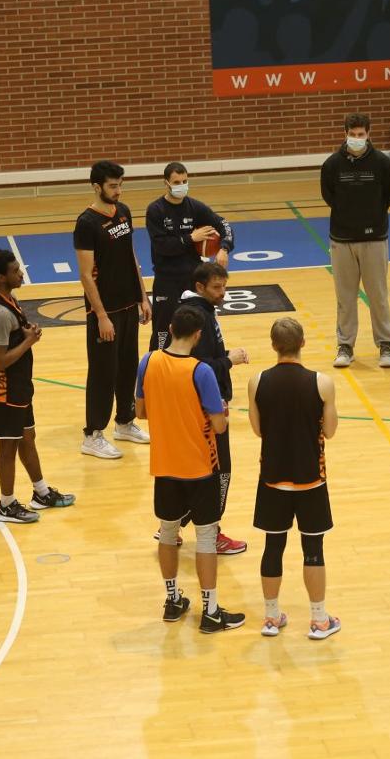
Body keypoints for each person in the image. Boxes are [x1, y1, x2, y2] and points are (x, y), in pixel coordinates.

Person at [137, 305, 245, 633]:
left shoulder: (148, 361)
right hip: (200, 466)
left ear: (169, 328)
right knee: (206, 537)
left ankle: (172, 600)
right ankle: (210, 611)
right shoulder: (202, 372)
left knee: (169, 534)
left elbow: (141, 412)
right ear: (198, 335)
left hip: (165, 465)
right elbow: (219, 425)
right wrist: (221, 413)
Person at [247, 318, 341, 640]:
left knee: (273, 547)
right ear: (303, 343)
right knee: (313, 549)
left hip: (273, 479)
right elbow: (329, 431)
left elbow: (258, 430)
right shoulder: (322, 382)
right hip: (311, 479)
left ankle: (272, 618)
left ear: (274, 346)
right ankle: (319, 621)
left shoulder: (257, 381)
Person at [149, 263, 250, 554]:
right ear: (200, 288)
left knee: (189, 469)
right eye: (217, 287)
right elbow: (200, 366)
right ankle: (212, 531)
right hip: (207, 409)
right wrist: (231, 359)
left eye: (224, 286)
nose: (223, 292)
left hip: (189, 410)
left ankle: (173, 524)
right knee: (220, 472)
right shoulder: (198, 318)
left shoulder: (196, 311)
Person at [0, 249, 76, 523]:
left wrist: (24, 332)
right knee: (8, 445)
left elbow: (11, 337)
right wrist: (28, 342)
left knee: (27, 437)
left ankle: (41, 492)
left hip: (19, 385)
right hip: (3, 389)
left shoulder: (8, 299)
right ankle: (6, 504)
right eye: (15, 271)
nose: (21, 273)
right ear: (1, 277)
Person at [75, 160, 152, 460]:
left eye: (120, 185)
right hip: (103, 313)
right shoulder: (86, 223)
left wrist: (143, 297)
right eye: (112, 186)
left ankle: (124, 422)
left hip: (128, 305)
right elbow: (85, 274)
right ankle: (92, 435)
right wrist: (102, 315)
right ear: (97, 187)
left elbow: (131, 256)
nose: (118, 191)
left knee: (127, 367)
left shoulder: (124, 212)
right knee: (103, 373)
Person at [322, 113, 390, 369]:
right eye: (352, 134)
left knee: (378, 295)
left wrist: (371, 218)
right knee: (345, 297)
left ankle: (385, 345)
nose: (357, 139)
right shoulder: (332, 165)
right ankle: (345, 346)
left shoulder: (382, 163)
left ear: (368, 134)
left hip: (375, 239)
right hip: (341, 239)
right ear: (345, 134)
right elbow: (329, 195)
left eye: (361, 135)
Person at [145, 161, 234, 351]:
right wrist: (190, 238)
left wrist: (224, 248)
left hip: (193, 281)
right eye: (176, 182)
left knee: (199, 328)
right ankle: (156, 367)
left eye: (184, 181)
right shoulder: (156, 210)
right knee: (162, 332)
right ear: (166, 183)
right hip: (167, 281)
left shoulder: (195, 207)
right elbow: (162, 246)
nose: (181, 186)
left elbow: (223, 224)